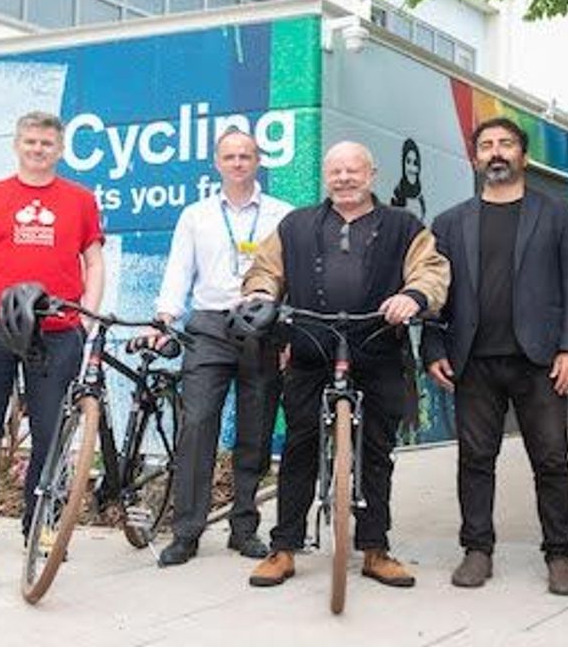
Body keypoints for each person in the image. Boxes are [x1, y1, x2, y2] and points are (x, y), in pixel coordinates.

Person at [241, 141, 449, 589]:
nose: (344, 178)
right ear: (326, 177)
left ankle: (375, 549)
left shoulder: (403, 225)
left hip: (377, 347)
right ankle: (283, 548)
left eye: (353, 170)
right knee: (299, 449)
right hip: (312, 348)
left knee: (376, 453)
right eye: (335, 171)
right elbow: (265, 270)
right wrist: (261, 295)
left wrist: (412, 297)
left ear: (371, 173)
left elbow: (430, 271)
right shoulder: (294, 225)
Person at [421, 116, 568, 596]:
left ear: (522, 155)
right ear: (475, 158)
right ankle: (477, 549)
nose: (496, 152)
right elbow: (437, 291)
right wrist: (432, 346)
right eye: (487, 146)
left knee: (552, 460)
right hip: (473, 360)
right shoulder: (450, 222)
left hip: (541, 361)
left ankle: (560, 555)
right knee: (476, 459)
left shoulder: (556, 214)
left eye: (506, 144)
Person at [0, 111, 105, 563]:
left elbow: (95, 261)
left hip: (57, 331)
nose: (38, 149)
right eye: (30, 141)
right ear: (17, 145)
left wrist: (84, 320)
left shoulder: (81, 200)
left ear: (60, 149)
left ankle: (42, 525)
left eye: (46, 143)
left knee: (51, 435)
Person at [152, 128, 293, 567]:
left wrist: (289, 333)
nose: (237, 163)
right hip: (210, 326)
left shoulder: (281, 214)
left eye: (246, 156)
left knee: (255, 429)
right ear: (217, 163)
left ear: (258, 161)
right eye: (229, 156)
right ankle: (186, 532)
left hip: (262, 326)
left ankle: (244, 528)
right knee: (197, 425)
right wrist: (165, 318)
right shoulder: (196, 215)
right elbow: (179, 271)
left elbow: (293, 275)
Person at [389, 138, 425, 220]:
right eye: (408, 162)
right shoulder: (397, 196)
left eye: (415, 163)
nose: (412, 168)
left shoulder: (420, 197)